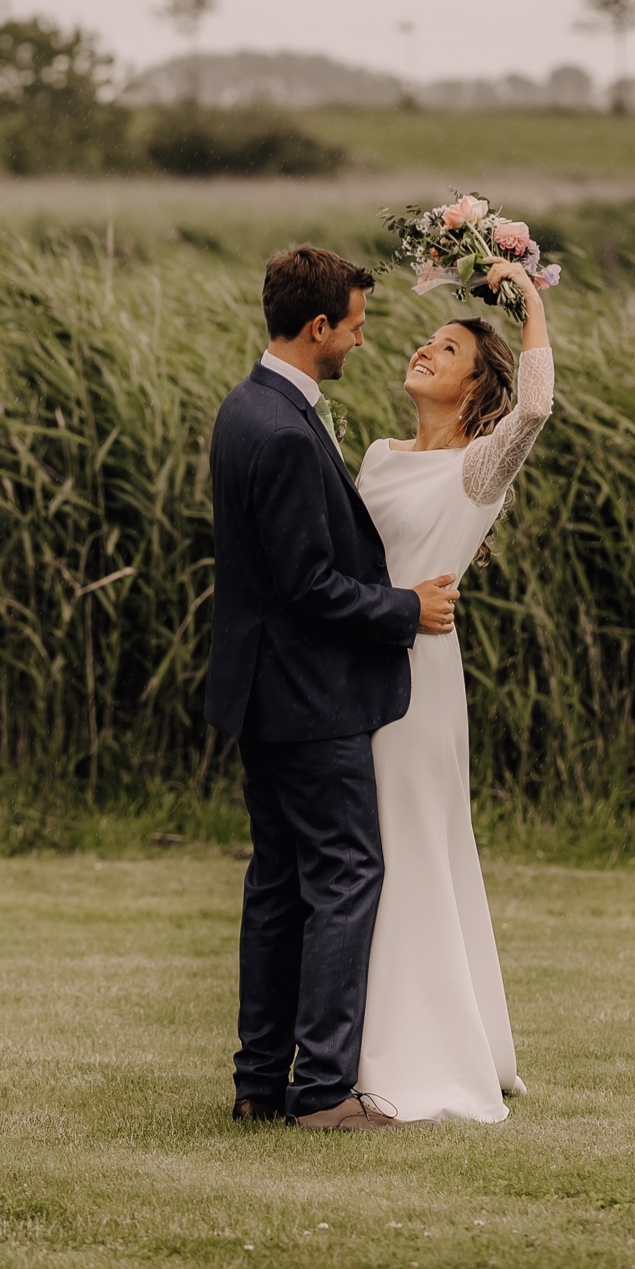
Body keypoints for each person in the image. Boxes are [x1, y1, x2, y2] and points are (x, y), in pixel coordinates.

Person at [206, 244, 461, 1131]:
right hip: (309, 699)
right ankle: (319, 1091)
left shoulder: (249, 407)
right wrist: (405, 607)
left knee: (279, 884)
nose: (361, 339)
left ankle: (257, 1082)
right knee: (348, 874)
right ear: (319, 327)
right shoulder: (282, 429)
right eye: (355, 324)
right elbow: (307, 582)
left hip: (261, 694)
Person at [354, 258, 554, 1122]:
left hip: (421, 679)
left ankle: (419, 1048)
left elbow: (538, 406)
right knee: (366, 846)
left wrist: (528, 297)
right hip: (357, 659)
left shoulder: (478, 469)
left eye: (447, 346)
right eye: (426, 338)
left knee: (414, 844)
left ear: (476, 388)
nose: (423, 348)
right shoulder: (374, 453)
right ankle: (353, 1029)